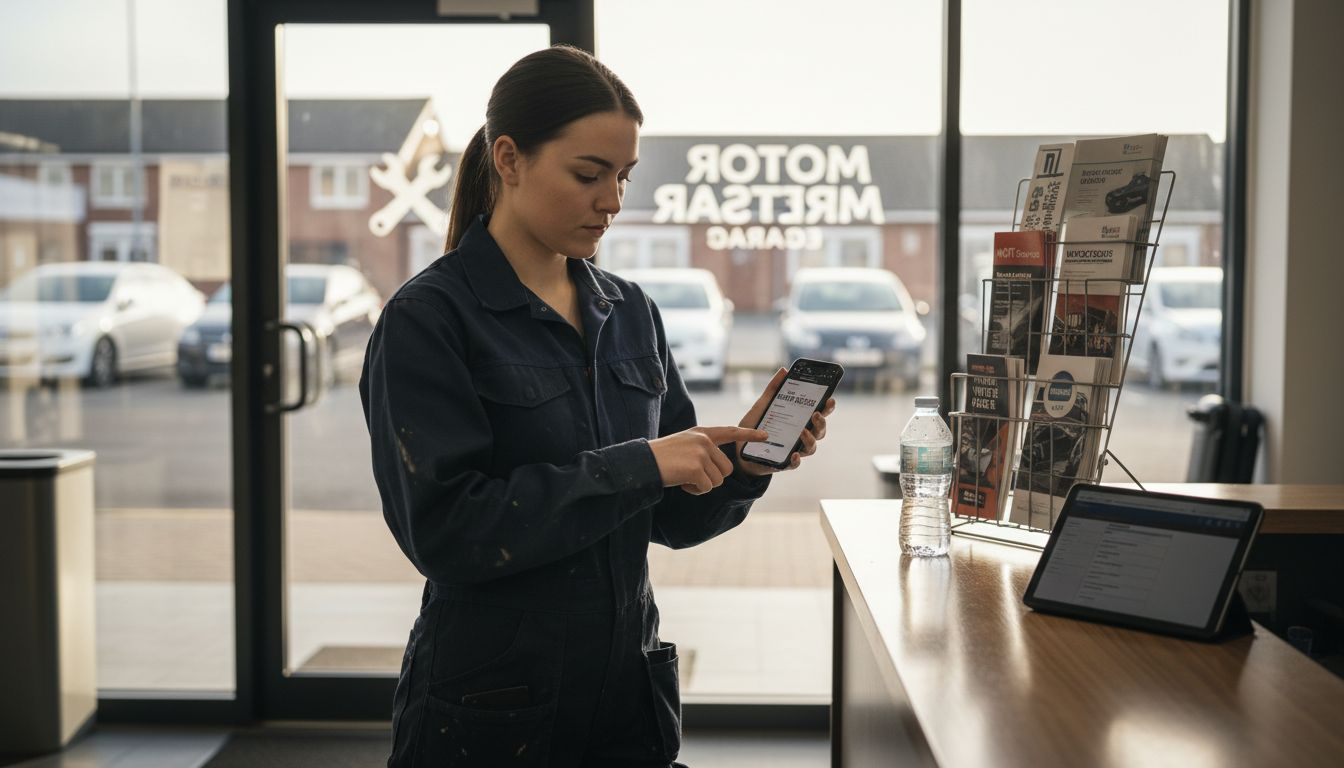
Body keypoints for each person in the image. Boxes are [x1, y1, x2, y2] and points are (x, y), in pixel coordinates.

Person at [360, 45, 834, 768]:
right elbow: (446, 532)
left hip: (624, 703)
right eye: (589, 174)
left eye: (623, 177)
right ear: (510, 160)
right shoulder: (428, 320)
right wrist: (639, 465)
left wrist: (743, 463)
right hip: (489, 716)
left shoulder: (632, 313)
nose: (612, 200)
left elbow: (671, 516)